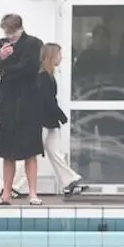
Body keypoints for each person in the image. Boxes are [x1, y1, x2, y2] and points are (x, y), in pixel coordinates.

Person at [0, 13, 46, 206]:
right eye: (6, 32)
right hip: (8, 103)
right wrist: (2, 59)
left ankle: (33, 193)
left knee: (30, 151)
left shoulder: (34, 44)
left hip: (29, 103)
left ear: (20, 28)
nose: (9, 36)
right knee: (7, 151)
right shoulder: (0, 44)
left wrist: (7, 68)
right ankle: (6, 194)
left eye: (12, 32)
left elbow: (29, 68)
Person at [17, 42, 83, 198]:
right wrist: (62, 116)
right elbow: (47, 100)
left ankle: (69, 182)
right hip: (41, 121)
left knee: (53, 152)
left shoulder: (48, 75)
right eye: (59, 54)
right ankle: (13, 185)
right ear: (51, 56)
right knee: (30, 153)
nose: (61, 57)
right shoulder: (43, 77)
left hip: (47, 121)